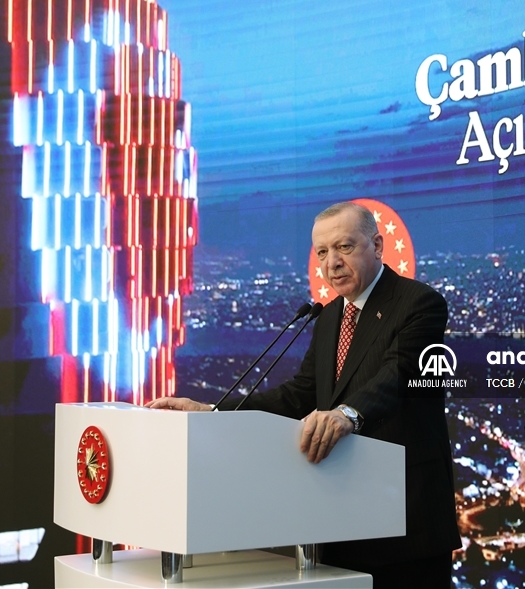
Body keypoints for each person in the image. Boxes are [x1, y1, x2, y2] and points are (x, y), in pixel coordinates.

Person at [146, 202, 460, 587]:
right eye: (322, 252)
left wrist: (346, 414)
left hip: (406, 519)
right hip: (338, 518)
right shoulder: (329, 317)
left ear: (377, 246)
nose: (332, 263)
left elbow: (398, 374)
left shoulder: (419, 303)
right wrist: (213, 411)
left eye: (344, 247)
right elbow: (300, 395)